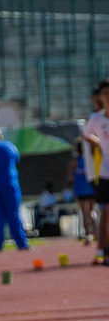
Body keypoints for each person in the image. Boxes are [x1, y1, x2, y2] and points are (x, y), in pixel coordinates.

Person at [83, 81, 109, 265]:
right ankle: (102, 250)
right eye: (104, 94)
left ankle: (103, 250)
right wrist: (97, 142)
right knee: (105, 213)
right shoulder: (97, 120)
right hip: (103, 173)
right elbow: (86, 136)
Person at [69, 138, 97, 245]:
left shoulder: (76, 160)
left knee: (85, 212)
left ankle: (88, 234)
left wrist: (72, 187)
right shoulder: (89, 158)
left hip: (82, 189)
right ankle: (93, 232)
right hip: (88, 188)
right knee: (90, 211)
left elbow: (71, 176)